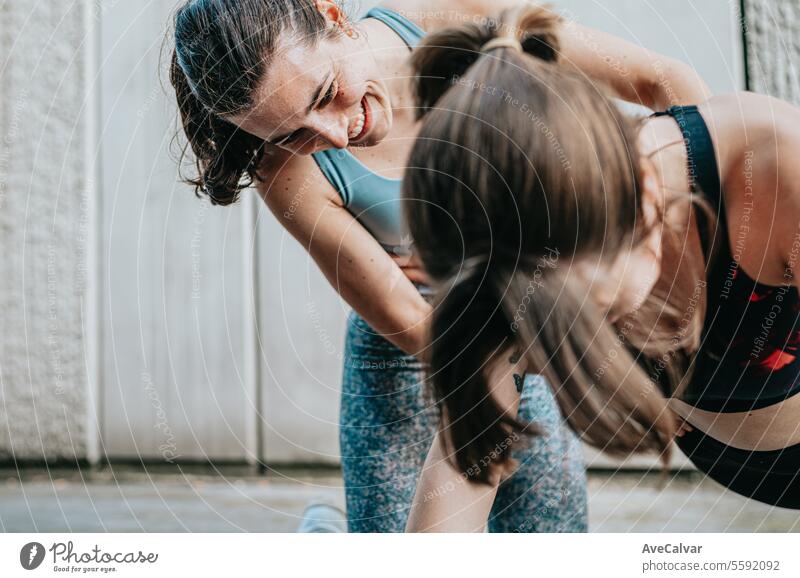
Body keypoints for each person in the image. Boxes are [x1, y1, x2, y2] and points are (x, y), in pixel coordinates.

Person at [170, 0, 712, 532]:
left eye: (326, 93)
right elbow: (401, 311)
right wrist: (579, 355)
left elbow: (665, 81)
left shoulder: (455, 15)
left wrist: (705, 264)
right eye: (292, 134)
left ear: (333, 16)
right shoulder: (280, 166)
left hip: (534, 332)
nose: (333, 136)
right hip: (412, 358)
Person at [401, 5, 800, 531]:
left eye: (600, 313)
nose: (592, 340)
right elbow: (458, 486)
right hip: (738, 458)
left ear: (647, 189)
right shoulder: (507, 270)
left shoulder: (772, 170)